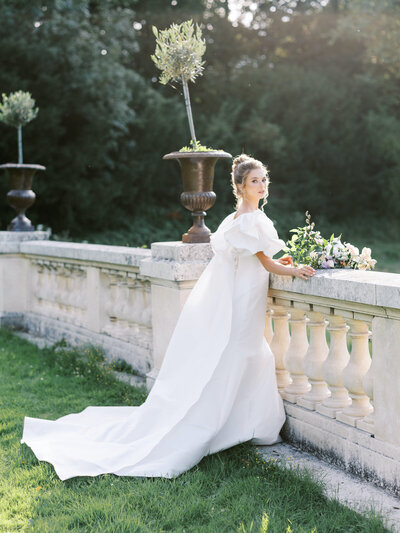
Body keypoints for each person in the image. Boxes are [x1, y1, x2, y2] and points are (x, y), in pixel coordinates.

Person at [21, 154, 315, 480]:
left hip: (243, 292)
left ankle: (247, 423)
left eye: (263, 180)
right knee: (245, 352)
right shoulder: (250, 220)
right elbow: (266, 262)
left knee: (244, 353)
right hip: (245, 298)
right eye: (254, 181)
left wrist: (280, 261)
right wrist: (293, 269)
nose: (261, 186)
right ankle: (236, 425)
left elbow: (255, 257)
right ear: (239, 186)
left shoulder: (236, 218)